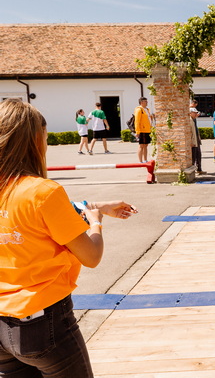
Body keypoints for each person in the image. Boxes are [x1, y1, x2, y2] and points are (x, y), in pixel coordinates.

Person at [0, 98, 137, 378]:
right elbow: (91, 256)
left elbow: (29, 216)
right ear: (34, 140)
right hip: (43, 323)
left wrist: (96, 205)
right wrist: (96, 223)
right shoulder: (43, 191)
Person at [133, 97, 152, 163]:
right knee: (141, 145)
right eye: (145, 101)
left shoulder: (147, 109)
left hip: (147, 130)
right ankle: (140, 161)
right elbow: (137, 121)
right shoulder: (139, 110)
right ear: (141, 102)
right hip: (142, 130)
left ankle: (145, 160)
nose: (147, 102)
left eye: (146, 101)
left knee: (146, 145)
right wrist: (137, 131)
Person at [189, 100, 205, 175]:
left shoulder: (194, 119)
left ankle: (199, 169)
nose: (196, 114)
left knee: (198, 155)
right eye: (194, 113)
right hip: (193, 141)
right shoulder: (189, 120)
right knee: (193, 156)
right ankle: (193, 171)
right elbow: (189, 132)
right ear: (190, 113)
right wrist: (191, 141)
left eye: (196, 113)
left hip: (196, 140)